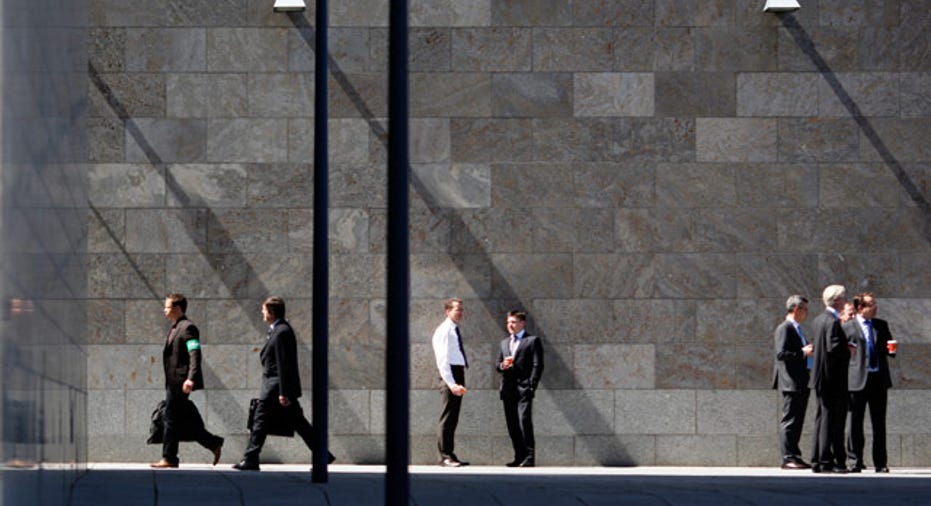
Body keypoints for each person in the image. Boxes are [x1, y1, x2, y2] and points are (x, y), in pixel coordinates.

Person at [233, 297, 334, 471]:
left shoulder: (281, 332)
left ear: (272, 313)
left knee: (260, 420)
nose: (262, 314)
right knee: (298, 423)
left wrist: (283, 391)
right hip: (275, 385)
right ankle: (322, 455)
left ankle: (251, 458)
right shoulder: (277, 330)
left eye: (264, 311)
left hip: (275, 386)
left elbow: (283, 363)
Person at [151, 293, 224, 468]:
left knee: (170, 418)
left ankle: (169, 458)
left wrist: (191, 378)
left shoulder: (188, 328)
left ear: (177, 308)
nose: (164, 310)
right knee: (179, 419)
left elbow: (195, 354)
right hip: (173, 381)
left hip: (180, 381)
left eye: (167, 306)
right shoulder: (176, 327)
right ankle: (212, 443)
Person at [844, 292, 895, 473]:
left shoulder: (881, 325)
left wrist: (891, 349)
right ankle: (855, 460)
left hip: (878, 379)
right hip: (857, 380)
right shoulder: (848, 327)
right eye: (871, 304)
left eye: (875, 303)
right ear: (860, 308)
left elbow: (889, 346)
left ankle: (880, 463)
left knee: (879, 423)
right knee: (855, 423)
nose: (875, 307)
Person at [808, 285, 855, 473]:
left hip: (820, 377)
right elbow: (834, 348)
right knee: (831, 419)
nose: (845, 302)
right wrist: (848, 351)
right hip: (832, 378)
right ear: (836, 301)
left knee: (822, 418)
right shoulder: (833, 322)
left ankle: (818, 459)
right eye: (843, 298)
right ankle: (828, 460)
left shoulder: (819, 320)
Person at [495, 310, 544, 467]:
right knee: (512, 423)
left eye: (514, 322)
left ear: (522, 323)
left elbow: (538, 364)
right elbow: (498, 365)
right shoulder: (504, 343)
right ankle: (519, 455)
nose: (510, 325)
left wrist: (532, 385)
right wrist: (503, 365)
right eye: (508, 322)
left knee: (524, 421)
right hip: (508, 388)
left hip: (524, 388)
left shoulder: (532, 341)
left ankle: (530, 457)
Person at [772, 295, 813, 470]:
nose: (806, 313)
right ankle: (788, 457)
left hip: (801, 380)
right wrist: (803, 352)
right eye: (804, 309)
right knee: (790, 420)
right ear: (796, 309)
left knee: (797, 420)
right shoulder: (785, 328)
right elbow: (781, 354)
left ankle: (795, 455)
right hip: (791, 381)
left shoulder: (797, 329)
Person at [432, 298, 469, 467]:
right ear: (448, 311)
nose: (460, 312)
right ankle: (445, 455)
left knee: (453, 416)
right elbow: (442, 359)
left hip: (457, 372)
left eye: (461, 309)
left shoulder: (453, 329)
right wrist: (451, 383)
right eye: (457, 309)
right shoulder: (445, 331)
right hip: (450, 374)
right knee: (447, 416)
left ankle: (450, 453)